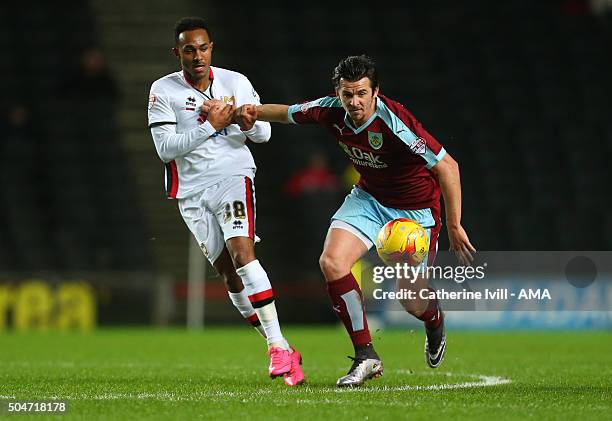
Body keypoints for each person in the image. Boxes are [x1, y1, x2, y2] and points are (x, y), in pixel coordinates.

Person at [205, 55, 475, 387]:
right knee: (332, 262)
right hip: (369, 199)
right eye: (348, 94)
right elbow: (288, 113)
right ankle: (366, 356)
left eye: (362, 93)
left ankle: (433, 320)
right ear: (338, 92)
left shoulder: (394, 121)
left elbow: (448, 167)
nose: (355, 102)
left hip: (415, 213)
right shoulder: (331, 110)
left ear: (376, 91)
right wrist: (249, 112)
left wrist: (453, 225)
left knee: (411, 300)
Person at [147, 17, 304, 386]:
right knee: (228, 275)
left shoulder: (236, 82)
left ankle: (278, 347)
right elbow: (164, 149)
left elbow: (263, 133)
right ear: (177, 53)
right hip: (190, 193)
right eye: (189, 49)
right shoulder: (163, 90)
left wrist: (249, 123)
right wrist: (210, 126)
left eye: (202, 48)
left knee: (242, 253)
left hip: (233, 177)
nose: (197, 55)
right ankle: (280, 347)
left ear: (211, 48)